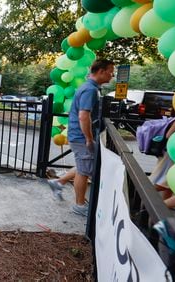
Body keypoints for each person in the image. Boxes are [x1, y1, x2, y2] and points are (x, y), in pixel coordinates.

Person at [51, 59, 115, 217]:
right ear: (100, 71)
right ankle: (79, 206)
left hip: (78, 135)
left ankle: (59, 182)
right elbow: (83, 116)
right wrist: (88, 138)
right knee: (84, 171)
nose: (112, 75)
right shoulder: (90, 90)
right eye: (110, 71)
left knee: (85, 165)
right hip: (80, 136)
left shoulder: (90, 87)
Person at [149, 117, 175, 209]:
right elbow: (168, 135)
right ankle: (145, 197)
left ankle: (163, 206)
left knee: (169, 181)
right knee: (164, 181)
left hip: (174, 153)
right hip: (172, 154)